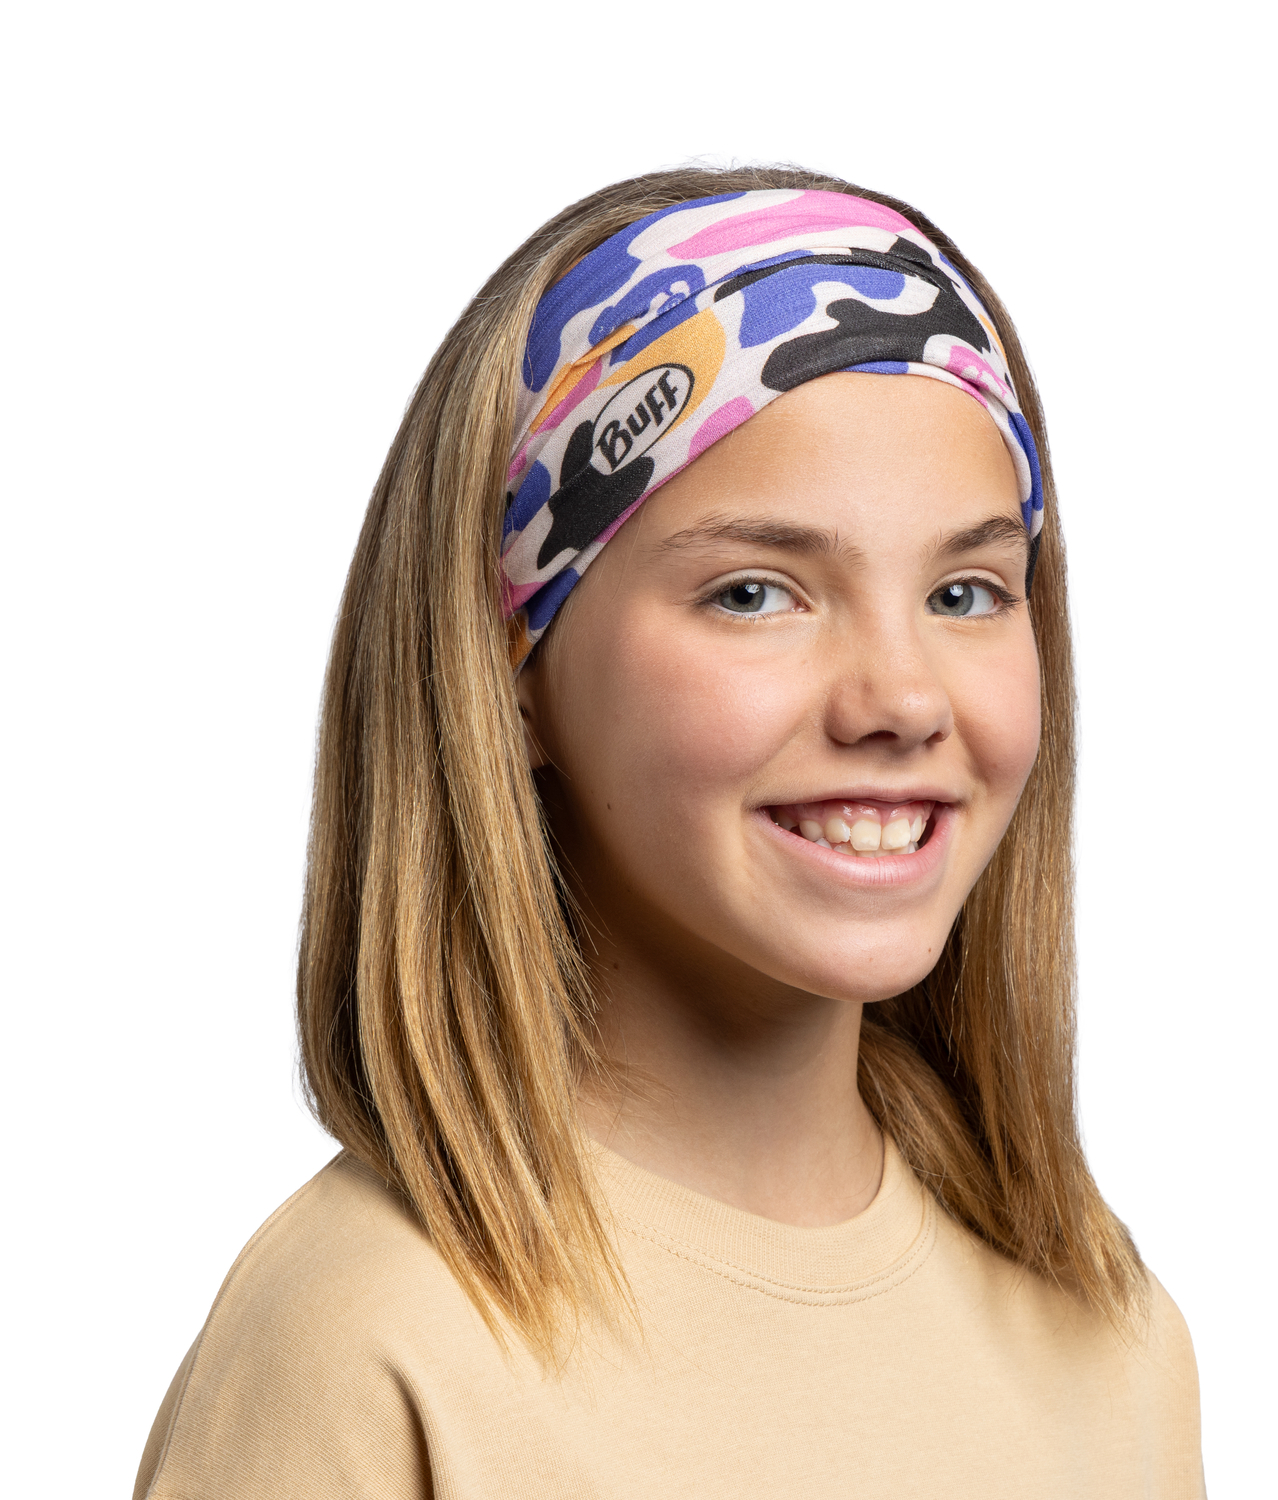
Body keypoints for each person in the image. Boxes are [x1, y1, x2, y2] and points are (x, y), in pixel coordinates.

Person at [133, 166, 1205, 1499]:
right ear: (512, 671)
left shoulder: (1113, 1337)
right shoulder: (369, 1342)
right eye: (755, 592)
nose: (904, 699)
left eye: (967, 591)